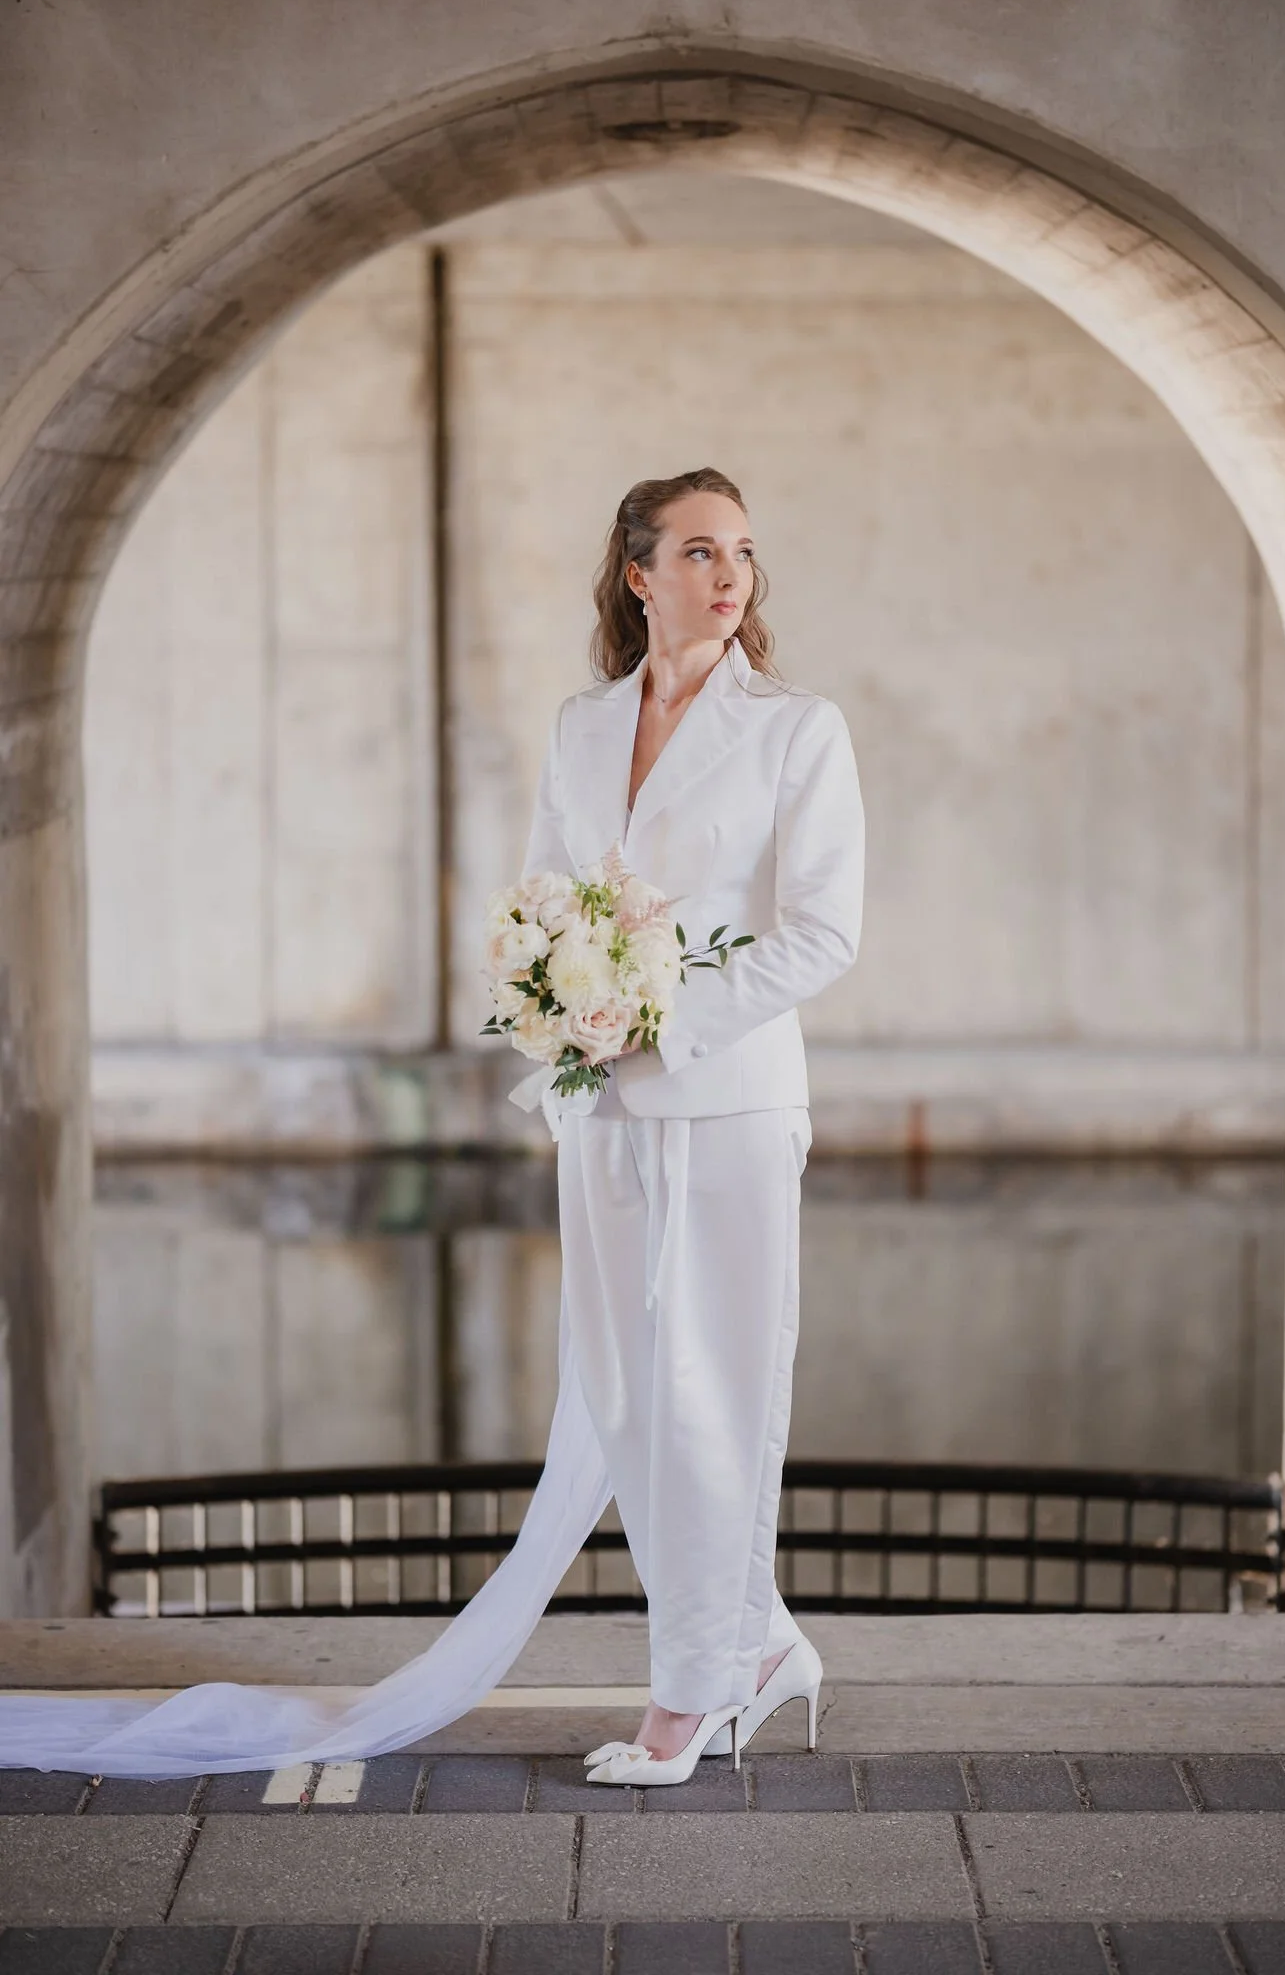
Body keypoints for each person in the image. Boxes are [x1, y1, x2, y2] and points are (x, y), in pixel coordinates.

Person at [0, 466, 864, 1786]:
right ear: (639, 573)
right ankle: (756, 1643)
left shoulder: (800, 729)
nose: (728, 573)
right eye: (697, 550)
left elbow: (822, 933)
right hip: (600, 1104)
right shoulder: (585, 726)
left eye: (740, 548)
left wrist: (658, 1014)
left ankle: (693, 1690)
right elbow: (549, 900)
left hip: (731, 1098)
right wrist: (562, 1005)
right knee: (626, 1396)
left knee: (723, 1390)